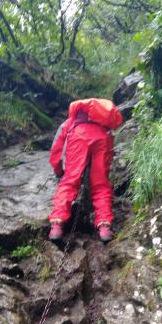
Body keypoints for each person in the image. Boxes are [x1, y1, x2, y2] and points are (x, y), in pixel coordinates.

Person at [48, 98, 123, 242]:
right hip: (103, 139)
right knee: (101, 185)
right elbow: (110, 152)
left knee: (69, 182)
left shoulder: (70, 122)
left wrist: (58, 170)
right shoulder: (104, 127)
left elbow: (56, 150)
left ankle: (57, 226)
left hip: (78, 137)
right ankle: (104, 229)